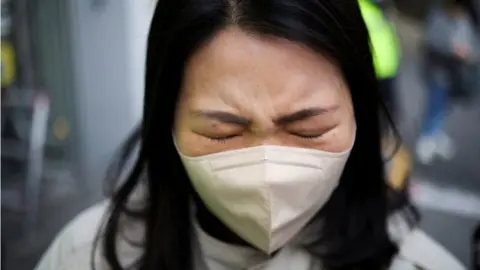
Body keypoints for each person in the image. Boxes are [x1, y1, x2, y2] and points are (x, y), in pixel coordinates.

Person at [35, 1, 466, 269]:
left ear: (359, 118)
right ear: (166, 121)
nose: (268, 172)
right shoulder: (87, 255)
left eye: (307, 128)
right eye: (222, 132)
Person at [416, 0, 480, 164]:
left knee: (444, 106)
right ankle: (427, 138)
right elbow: (432, 40)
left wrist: (469, 53)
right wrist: (453, 49)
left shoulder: (466, 20)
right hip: (439, 71)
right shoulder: (439, 15)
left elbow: (473, 45)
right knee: (435, 104)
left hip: (456, 74)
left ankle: (435, 134)